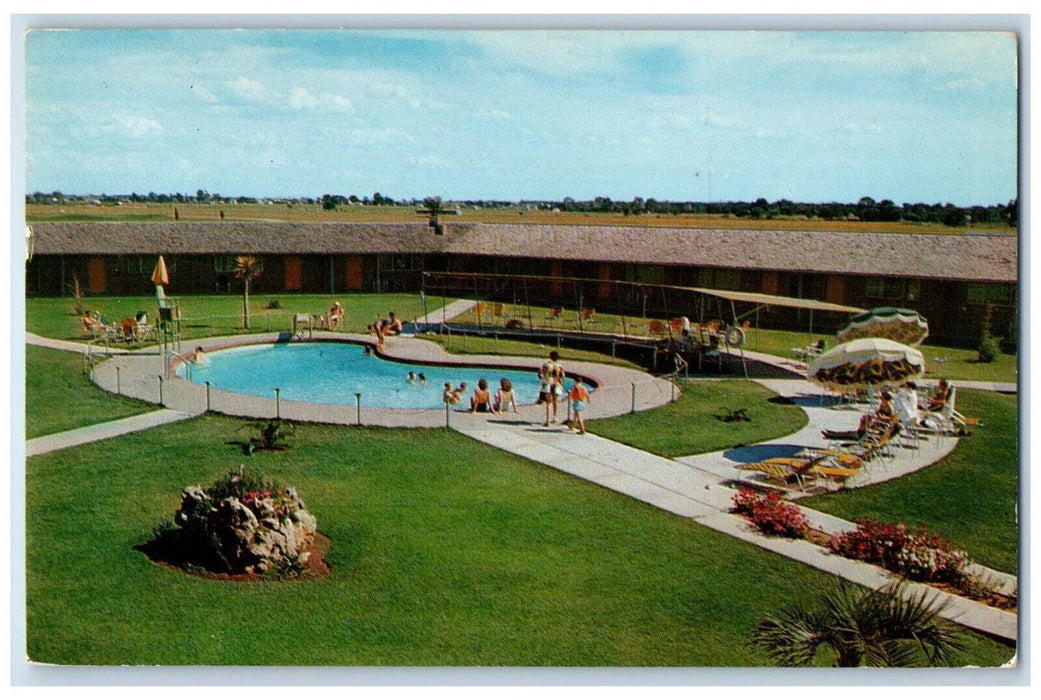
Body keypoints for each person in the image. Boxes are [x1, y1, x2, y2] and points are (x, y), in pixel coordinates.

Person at [539, 350, 565, 427]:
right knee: (555, 401)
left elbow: (541, 374)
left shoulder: (546, 364)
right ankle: (555, 417)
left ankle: (547, 420)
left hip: (548, 383)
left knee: (548, 402)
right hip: (556, 384)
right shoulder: (560, 366)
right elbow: (562, 376)